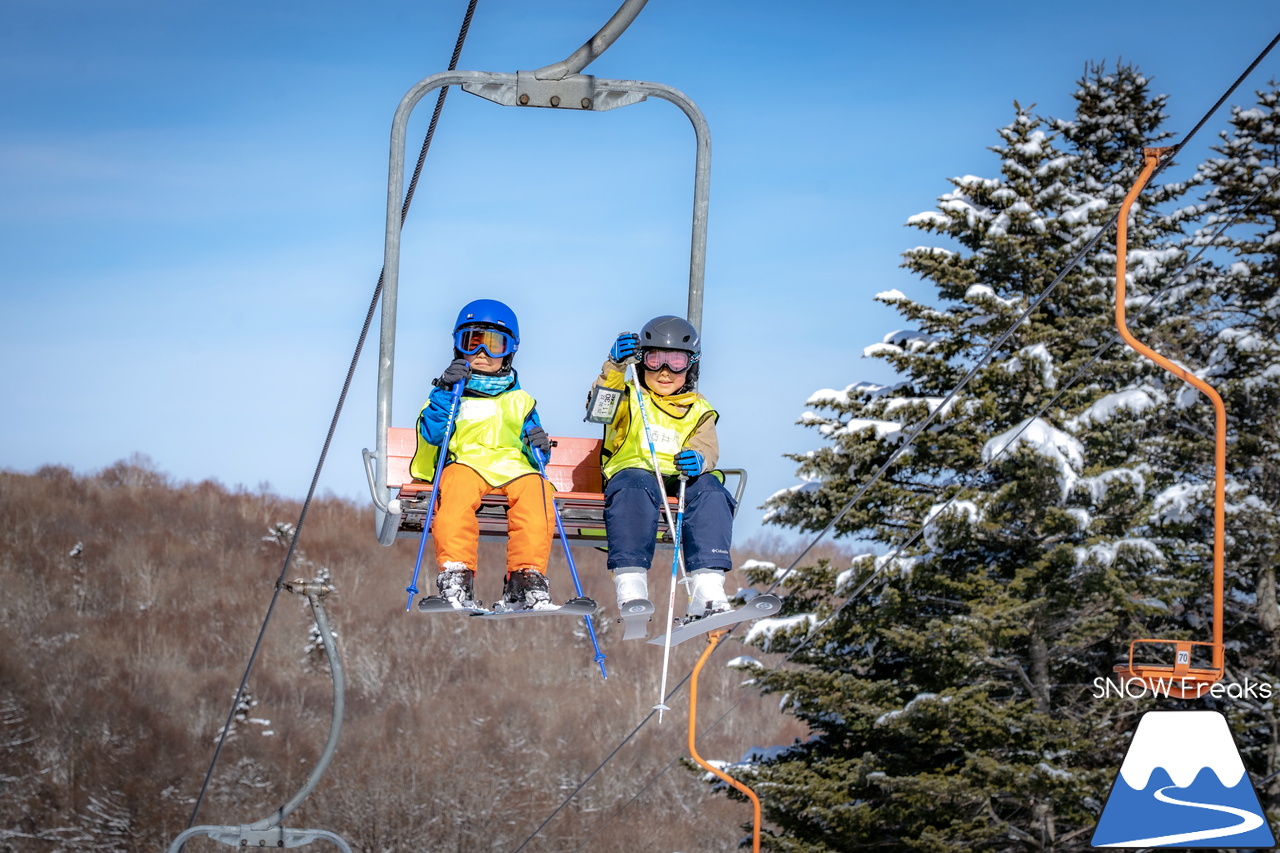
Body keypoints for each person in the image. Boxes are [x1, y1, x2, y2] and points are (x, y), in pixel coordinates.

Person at [410, 298, 556, 611]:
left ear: (510, 351)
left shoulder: (520, 401)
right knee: (457, 490)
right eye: (473, 342)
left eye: (495, 345)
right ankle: (456, 574)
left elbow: (537, 455)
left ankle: (526, 577)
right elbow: (434, 433)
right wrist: (445, 391)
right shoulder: (450, 393)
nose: (482, 353)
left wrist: (539, 446)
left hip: (513, 467)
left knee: (538, 490)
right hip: (467, 462)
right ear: (458, 347)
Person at [588, 315, 735, 621]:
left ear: (690, 365)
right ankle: (632, 586)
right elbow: (600, 412)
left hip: (679, 479)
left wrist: (699, 459)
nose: (665, 372)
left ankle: (707, 590)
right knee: (635, 483)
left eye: (676, 362)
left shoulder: (698, 408)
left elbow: (707, 447)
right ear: (642, 361)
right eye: (655, 360)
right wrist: (614, 367)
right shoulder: (630, 396)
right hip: (635, 477)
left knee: (711, 490)